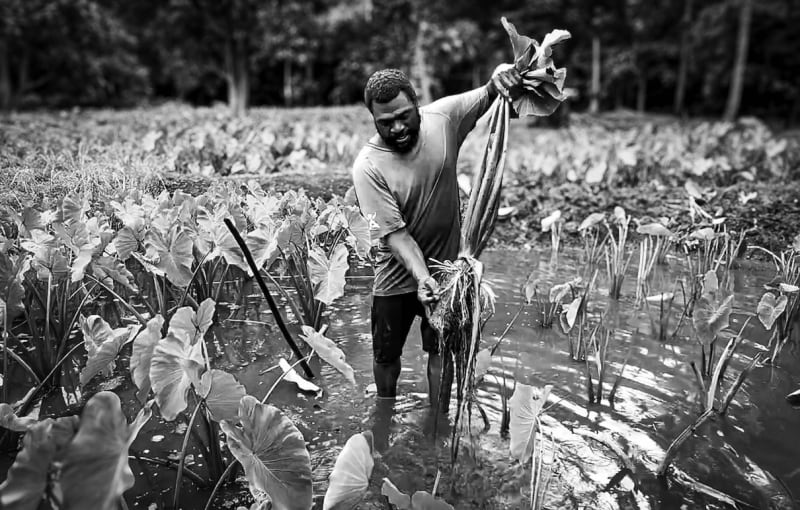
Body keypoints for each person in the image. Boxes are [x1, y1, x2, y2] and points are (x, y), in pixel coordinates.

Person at [352, 65, 521, 413]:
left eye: (403, 116)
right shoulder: (368, 166)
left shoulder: (444, 119)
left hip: (448, 273)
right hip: (397, 275)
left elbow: (491, 89)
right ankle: (384, 413)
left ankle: (438, 421)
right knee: (386, 354)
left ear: (417, 103)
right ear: (372, 118)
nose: (397, 128)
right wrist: (421, 276)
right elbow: (396, 236)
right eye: (385, 122)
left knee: (441, 351)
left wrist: (506, 73)